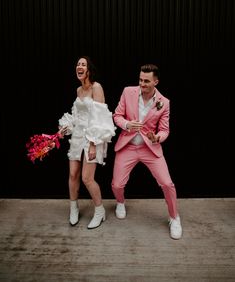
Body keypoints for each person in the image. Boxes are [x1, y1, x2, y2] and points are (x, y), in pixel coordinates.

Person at [111, 63, 182, 239]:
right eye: (140, 80)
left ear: (155, 82)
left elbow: (165, 130)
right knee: (117, 185)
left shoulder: (164, 103)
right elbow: (117, 116)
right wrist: (127, 124)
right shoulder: (128, 92)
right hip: (127, 146)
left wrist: (157, 137)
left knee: (167, 184)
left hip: (150, 149)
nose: (142, 84)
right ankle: (120, 202)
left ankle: (174, 218)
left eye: (146, 81)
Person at [58, 56, 116, 229]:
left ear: (89, 70)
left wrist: (92, 143)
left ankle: (100, 211)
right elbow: (77, 116)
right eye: (77, 64)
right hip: (77, 136)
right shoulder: (78, 90)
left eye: (83, 64)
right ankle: (73, 208)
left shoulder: (96, 87)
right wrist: (66, 128)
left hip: (93, 137)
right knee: (73, 174)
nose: (79, 67)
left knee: (87, 178)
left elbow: (100, 118)